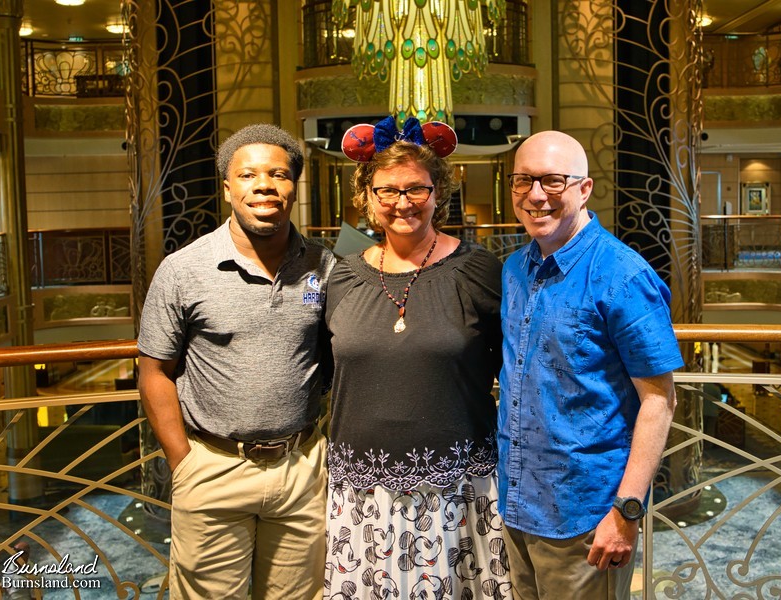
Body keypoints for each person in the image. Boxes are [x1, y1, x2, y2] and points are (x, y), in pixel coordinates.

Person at [137, 123, 335, 600]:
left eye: (279, 174)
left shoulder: (324, 265)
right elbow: (154, 371)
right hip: (212, 467)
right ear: (228, 188)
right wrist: (183, 462)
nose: (264, 184)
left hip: (302, 468)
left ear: (293, 187)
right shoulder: (183, 269)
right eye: (248, 175)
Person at [324, 116, 512, 599]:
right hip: (362, 488)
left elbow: (517, 362)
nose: (401, 202)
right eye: (387, 191)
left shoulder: (478, 270)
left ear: (437, 193)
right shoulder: (341, 277)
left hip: (458, 485)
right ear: (366, 197)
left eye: (416, 189)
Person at [498, 131, 684, 600]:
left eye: (553, 181)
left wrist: (626, 512)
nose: (536, 195)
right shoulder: (515, 268)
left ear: (584, 189)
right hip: (518, 505)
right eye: (524, 181)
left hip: (586, 518)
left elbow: (660, 401)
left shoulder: (623, 275)